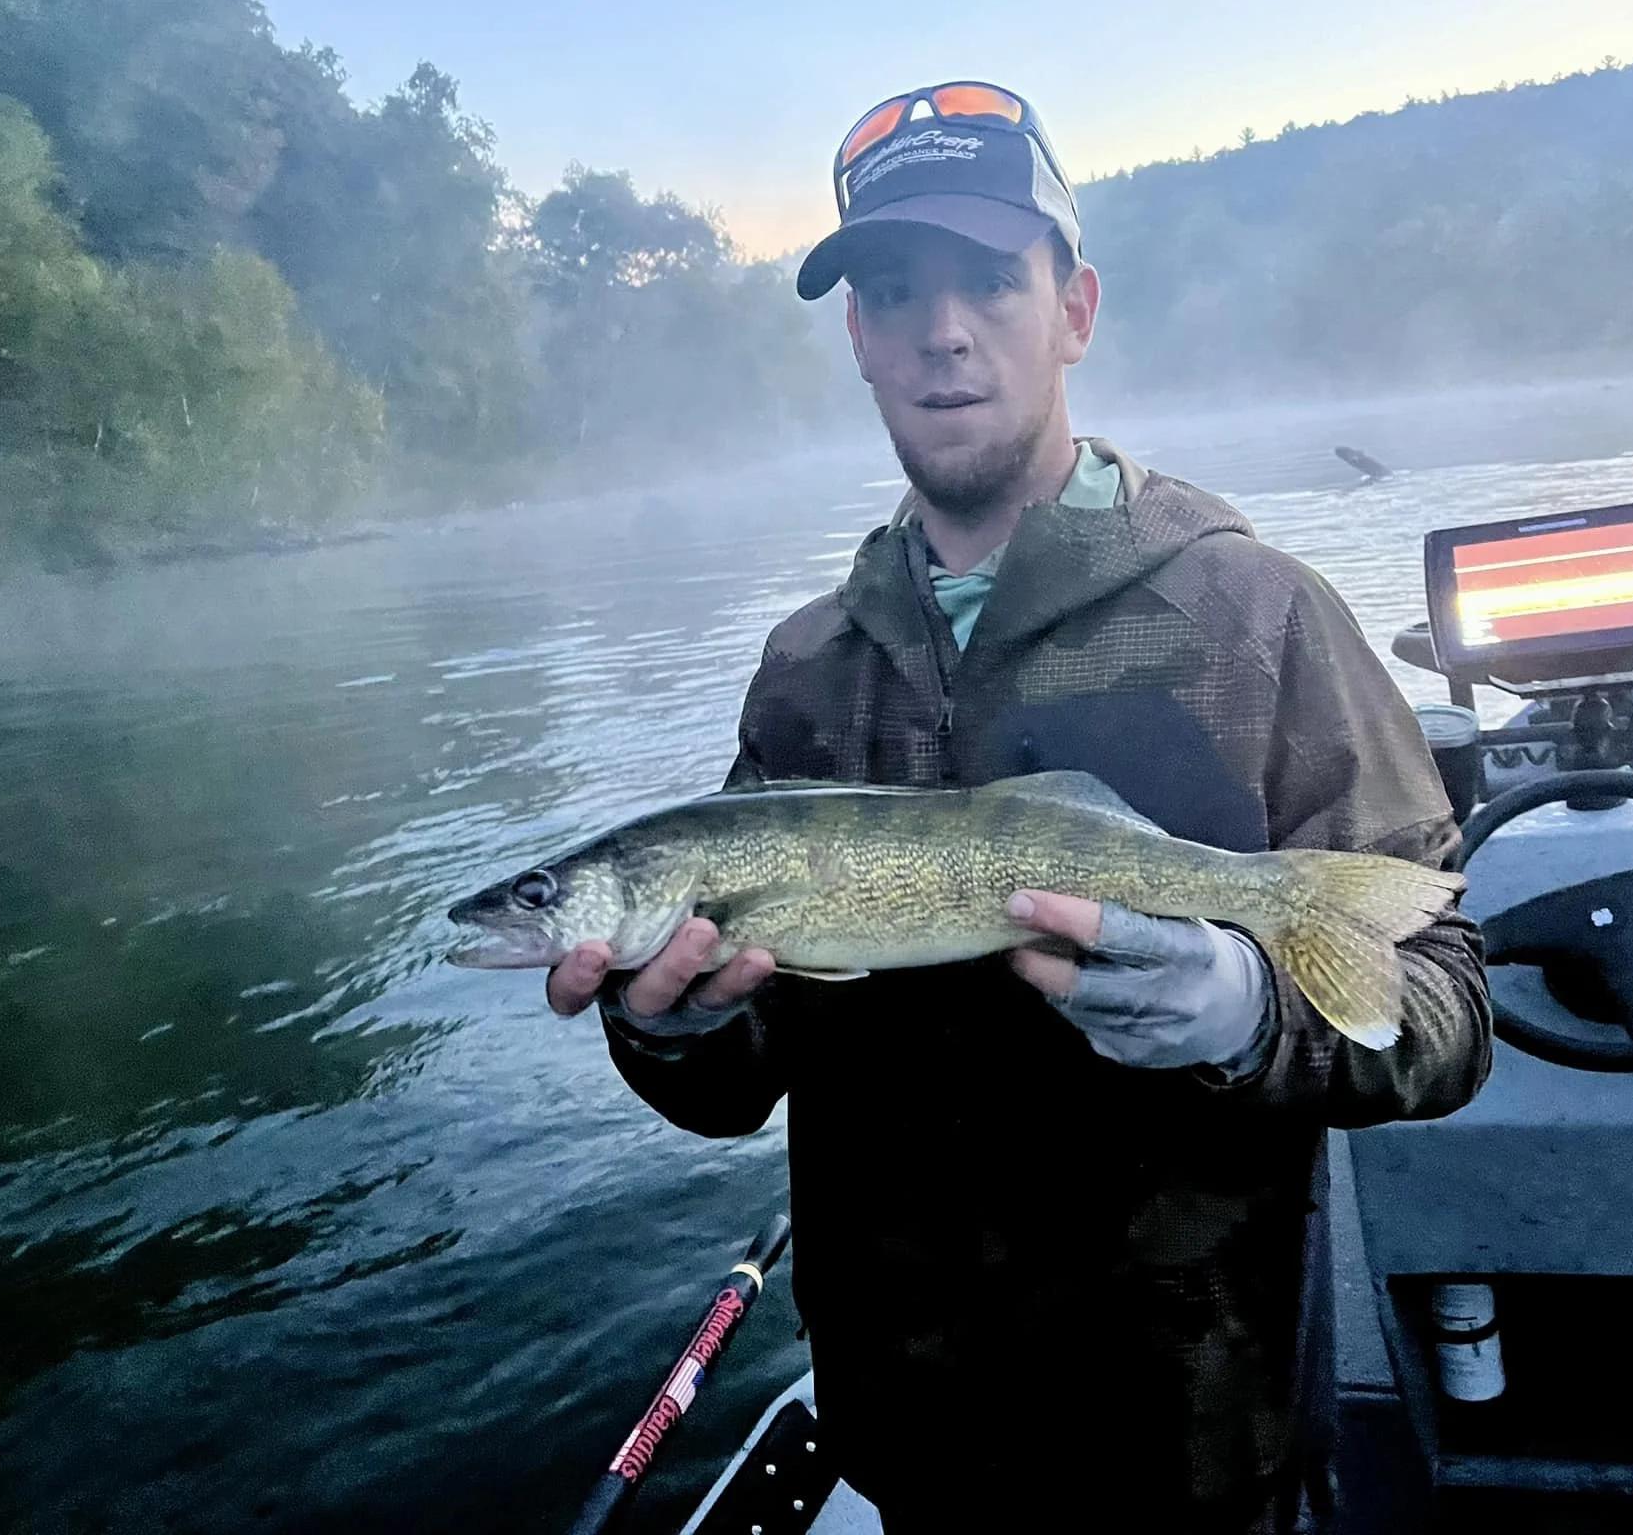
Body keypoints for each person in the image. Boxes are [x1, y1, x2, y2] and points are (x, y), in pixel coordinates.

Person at [546, 81, 1491, 1534]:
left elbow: (1444, 1009)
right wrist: (671, 1027)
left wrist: (1249, 1014)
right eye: (893, 290)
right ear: (858, 339)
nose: (944, 330)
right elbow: (738, 1076)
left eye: (991, 278)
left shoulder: (1261, 617)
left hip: (1193, 1432)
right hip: (911, 1438)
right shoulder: (805, 669)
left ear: (1075, 310)